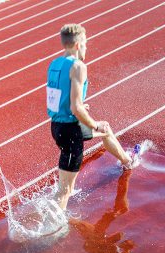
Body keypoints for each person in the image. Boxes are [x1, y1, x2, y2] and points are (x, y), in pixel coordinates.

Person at [47, 23, 139, 210]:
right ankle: (53, 232)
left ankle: (127, 162)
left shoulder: (54, 64)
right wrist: (93, 123)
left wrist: (79, 107)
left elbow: (55, 98)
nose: (87, 48)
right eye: (86, 44)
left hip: (57, 126)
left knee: (106, 129)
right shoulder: (78, 66)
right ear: (79, 45)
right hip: (71, 131)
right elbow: (75, 107)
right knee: (65, 190)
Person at [70, 169, 143, 253]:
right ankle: (126, 173)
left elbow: (104, 250)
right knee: (122, 208)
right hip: (100, 240)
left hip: (95, 241)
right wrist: (127, 248)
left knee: (70, 221)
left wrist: (115, 238)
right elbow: (124, 252)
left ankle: (127, 171)